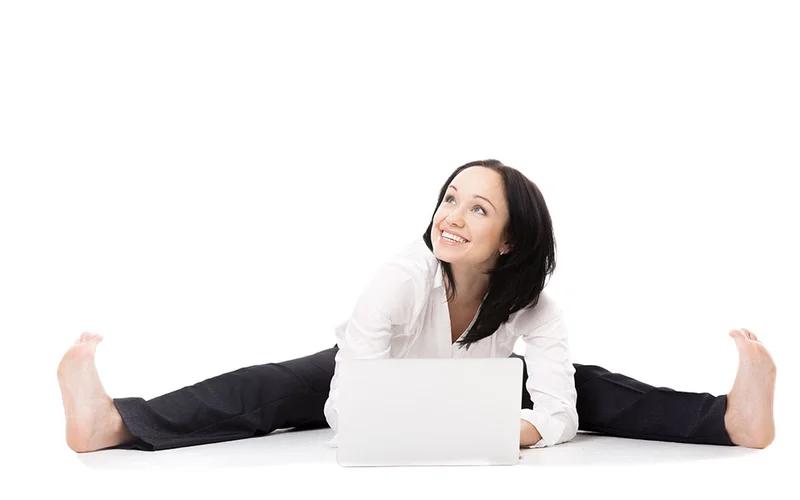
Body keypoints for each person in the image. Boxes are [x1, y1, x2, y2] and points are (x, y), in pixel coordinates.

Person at [57, 159, 777, 453]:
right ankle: (114, 422)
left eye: (478, 208)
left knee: (599, 388)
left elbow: (561, 411)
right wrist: (435, 424)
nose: (452, 215)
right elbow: (347, 408)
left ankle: (729, 419)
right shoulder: (398, 278)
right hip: (375, 374)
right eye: (449, 198)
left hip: (475, 384)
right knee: (267, 388)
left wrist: (502, 427)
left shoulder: (536, 310)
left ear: (509, 240)